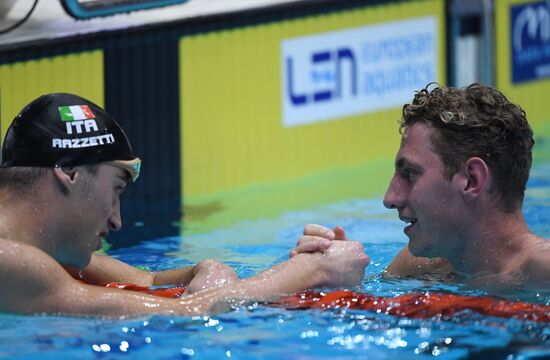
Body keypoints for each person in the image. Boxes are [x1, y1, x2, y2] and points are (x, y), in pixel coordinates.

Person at [0, 93, 370, 316]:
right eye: (115, 189)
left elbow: (151, 283)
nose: (116, 220)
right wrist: (314, 271)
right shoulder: (12, 260)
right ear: (67, 170)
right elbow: (181, 314)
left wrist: (207, 269)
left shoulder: (39, 249)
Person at [295, 83, 550, 284]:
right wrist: (331, 276)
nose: (390, 198)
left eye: (410, 174)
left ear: (472, 180)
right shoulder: (420, 266)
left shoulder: (542, 271)